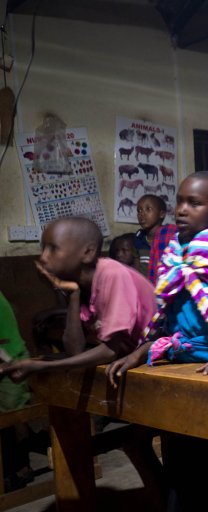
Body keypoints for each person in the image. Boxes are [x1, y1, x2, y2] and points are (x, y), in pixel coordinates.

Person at [106, 171, 208, 512]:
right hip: (182, 367)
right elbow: (167, 315)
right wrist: (143, 350)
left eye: (195, 202)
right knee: (181, 463)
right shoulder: (177, 251)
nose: (182, 209)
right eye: (179, 201)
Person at [0, 217, 156, 382]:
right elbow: (75, 350)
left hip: (163, 356)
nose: (44, 257)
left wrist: (43, 366)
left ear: (88, 253)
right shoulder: (80, 284)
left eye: (53, 248)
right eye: (43, 248)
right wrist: (74, 294)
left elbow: (110, 351)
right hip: (134, 359)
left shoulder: (112, 275)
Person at [0, 291, 33, 491]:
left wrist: (9, 364)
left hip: (12, 360)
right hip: (7, 359)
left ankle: (22, 469)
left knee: (16, 417)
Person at [134, 194, 177, 284]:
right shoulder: (139, 238)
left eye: (148, 209)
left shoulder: (170, 234)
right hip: (145, 289)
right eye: (139, 211)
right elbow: (137, 267)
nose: (142, 214)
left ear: (161, 214)